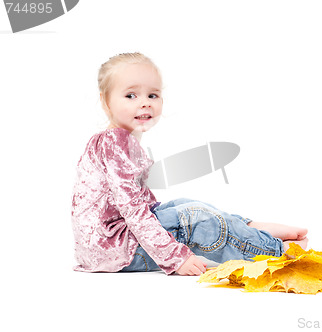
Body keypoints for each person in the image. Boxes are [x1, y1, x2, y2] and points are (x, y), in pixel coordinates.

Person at [71, 52, 308, 276]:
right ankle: (272, 250)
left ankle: (249, 228)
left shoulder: (122, 141)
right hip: (116, 250)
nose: (144, 103)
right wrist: (174, 258)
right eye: (131, 95)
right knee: (194, 219)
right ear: (105, 102)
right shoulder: (115, 143)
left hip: (111, 243)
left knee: (184, 204)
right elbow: (133, 211)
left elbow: (142, 203)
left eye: (152, 95)